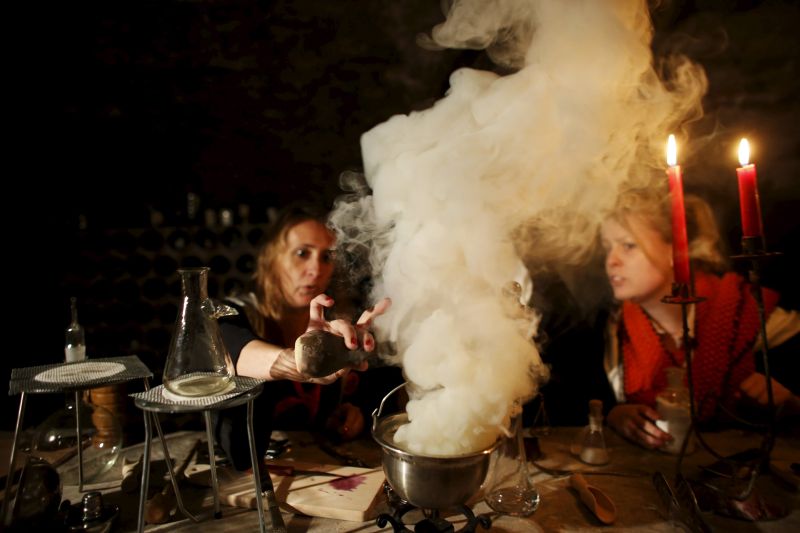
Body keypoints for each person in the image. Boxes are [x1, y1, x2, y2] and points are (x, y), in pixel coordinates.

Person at [598, 184, 800, 450]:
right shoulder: (615, 327)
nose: (611, 261)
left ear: (676, 249)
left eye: (628, 246)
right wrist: (615, 414)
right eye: (607, 248)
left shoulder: (746, 311)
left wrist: (790, 403)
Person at [213, 203, 396, 470]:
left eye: (326, 257)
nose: (315, 269)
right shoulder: (232, 314)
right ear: (272, 259)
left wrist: (350, 417)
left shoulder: (333, 326)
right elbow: (233, 353)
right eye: (302, 253)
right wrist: (305, 359)